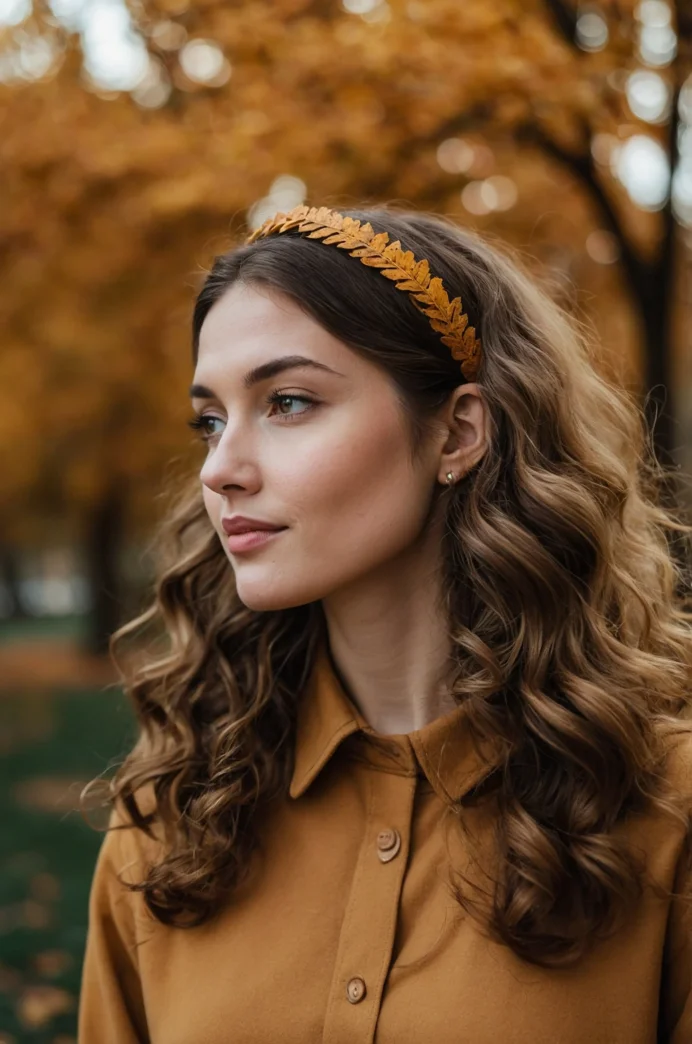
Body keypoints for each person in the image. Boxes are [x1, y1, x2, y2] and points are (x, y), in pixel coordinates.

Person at [77, 203, 692, 1043]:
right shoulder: (171, 824)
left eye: (288, 402)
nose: (220, 469)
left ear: (457, 430)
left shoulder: (665, 808)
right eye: (210, 421)